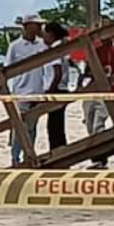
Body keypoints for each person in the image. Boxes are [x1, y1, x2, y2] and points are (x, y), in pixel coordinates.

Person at [5, 15, 50, 166]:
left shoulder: (42, 44)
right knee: (20, 128)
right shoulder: (15, 46)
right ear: (27, 26)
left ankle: (28, 155)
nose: (39, 28)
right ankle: (15, 157)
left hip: (38, 90)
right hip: (21, 91)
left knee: (32, 127)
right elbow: (7, 68)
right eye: (36, 25)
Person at [81, 35, 114, 169]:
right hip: (93, 87)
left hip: (107, 90)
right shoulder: (96, 49)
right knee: (89, 122)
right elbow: (87, 69)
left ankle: (101, 158)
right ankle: (96, 156)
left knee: (98, 124)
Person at [43, 22, 72, 151]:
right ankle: (60, 149)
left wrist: (50, 90)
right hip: (62, 88)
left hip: (57, 89)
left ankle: (57, 150)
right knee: (57, 123)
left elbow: (57, 72)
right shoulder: (62, 47)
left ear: (51, 34)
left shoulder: (55, 50)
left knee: (54, 125)